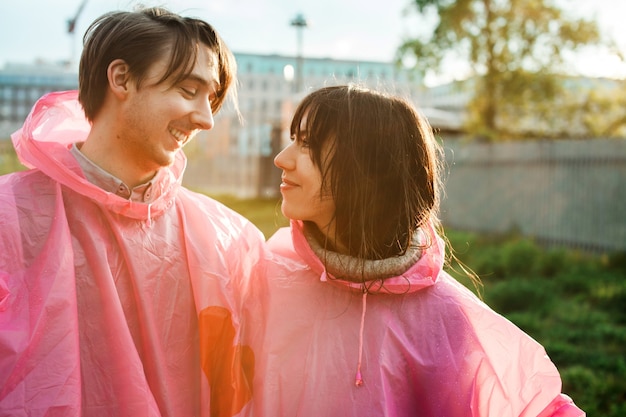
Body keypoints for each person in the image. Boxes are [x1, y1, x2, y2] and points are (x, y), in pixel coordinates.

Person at [241, 85, 584, 416]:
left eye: (307, 144)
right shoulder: (267, 275)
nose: (281, 159)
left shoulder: (445, 318)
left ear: (366, 168)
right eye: (292, 140)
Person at [0, 7, 264, 416]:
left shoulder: (228, 238)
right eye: (188, 90)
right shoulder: (10, 219)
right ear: (121, 78)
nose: (207, 120)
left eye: (211, 99)